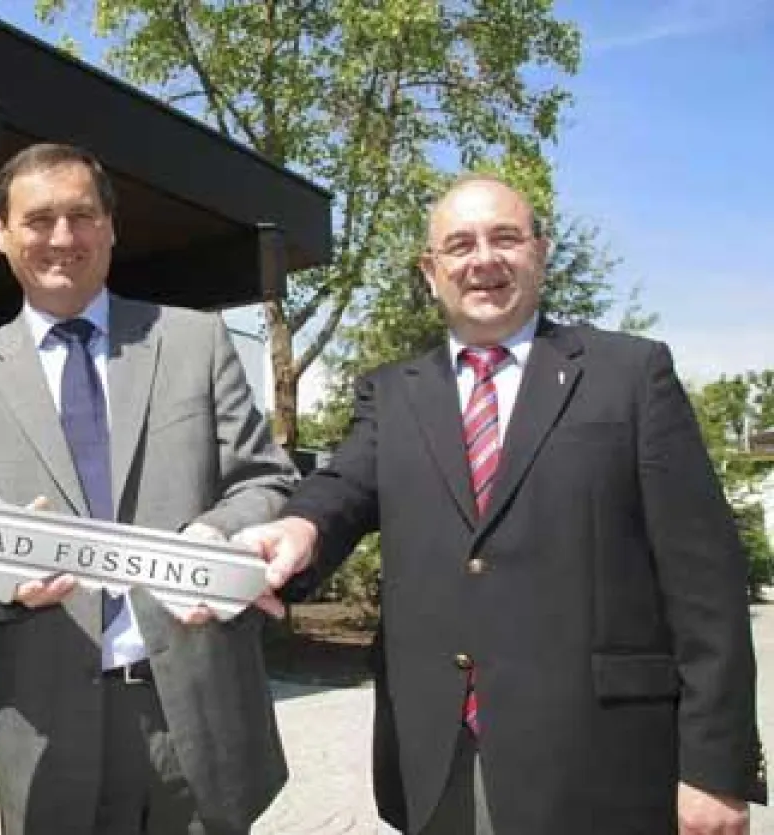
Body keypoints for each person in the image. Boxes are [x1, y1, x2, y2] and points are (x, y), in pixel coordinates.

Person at [239, 175, 766, 835]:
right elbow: (342, 485)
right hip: (440, 763)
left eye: (505, 238)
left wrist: (716, 769)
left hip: (604, 765)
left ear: (540, 253)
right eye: (459, 245)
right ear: (431, 272)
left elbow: (706, 584)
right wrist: (299, 525)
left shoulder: (631, 376)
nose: (482, 259)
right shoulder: (394, 394)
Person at [0, 142, 296, 835]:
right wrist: (0, 584)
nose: (62, 238)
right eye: (38, 220)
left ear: (111, 227)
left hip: (195, 712)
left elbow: (267, 479)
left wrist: (218, 535)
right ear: (2, 234)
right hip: (47, 726)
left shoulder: (195, 340)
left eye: (82, 215)